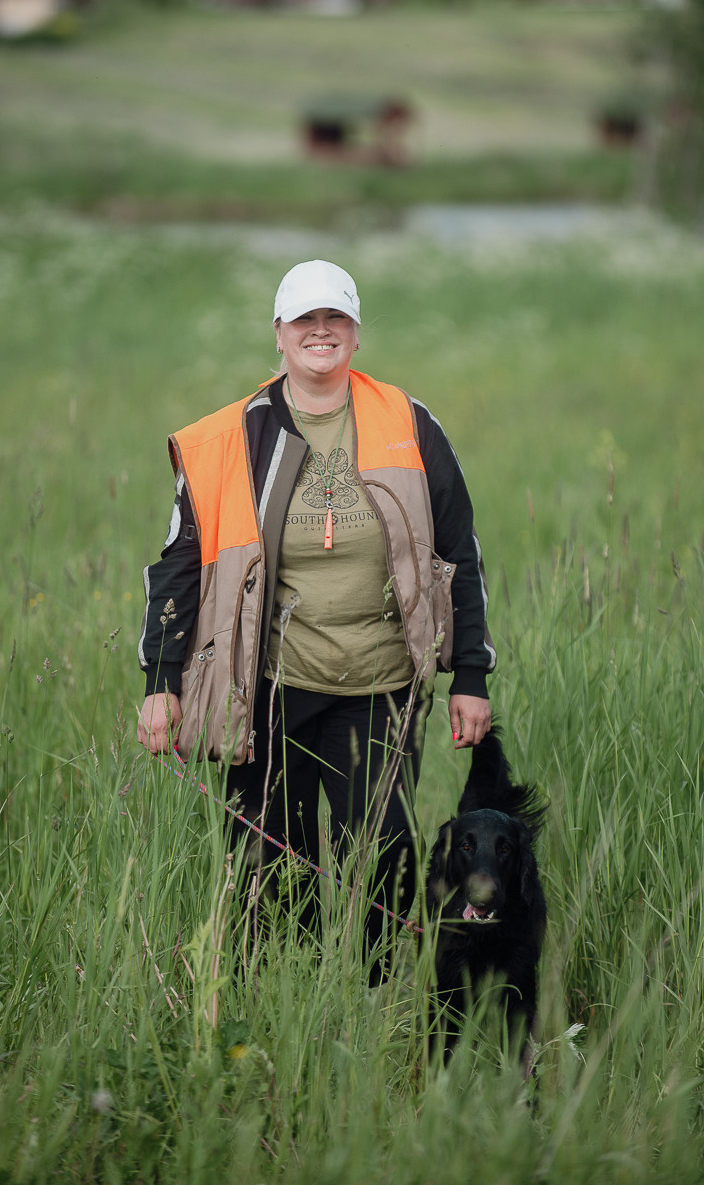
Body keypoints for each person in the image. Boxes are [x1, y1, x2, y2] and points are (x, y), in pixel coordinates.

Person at [137, 259, 495, 971]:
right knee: (272, 851)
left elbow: (460, 549)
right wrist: (160, 680)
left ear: (356, 334)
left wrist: (471, 675)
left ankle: (375, 994)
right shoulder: (231, 438)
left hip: (379, 681)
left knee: (384, 845)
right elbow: (178, 565)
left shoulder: (408, 422)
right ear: (279, 334)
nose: (321, 332)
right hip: (267, 686)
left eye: (336, 319)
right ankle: (283, 988)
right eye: (306, 320)